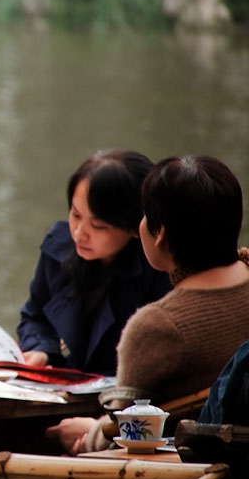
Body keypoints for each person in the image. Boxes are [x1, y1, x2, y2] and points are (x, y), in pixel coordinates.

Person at [47, 155, 249, 454]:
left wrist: (89, 436)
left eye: (144, 217)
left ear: (161, 234)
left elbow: (125, 431)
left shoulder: (157, 325)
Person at [16, 149, 172, 376]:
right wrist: (42, 349)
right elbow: (35, 316)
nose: (79, 233)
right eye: (75, 215)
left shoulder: (159, 268)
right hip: (70, 384)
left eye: (98, 226)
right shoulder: (58, 247)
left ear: (137, 226)